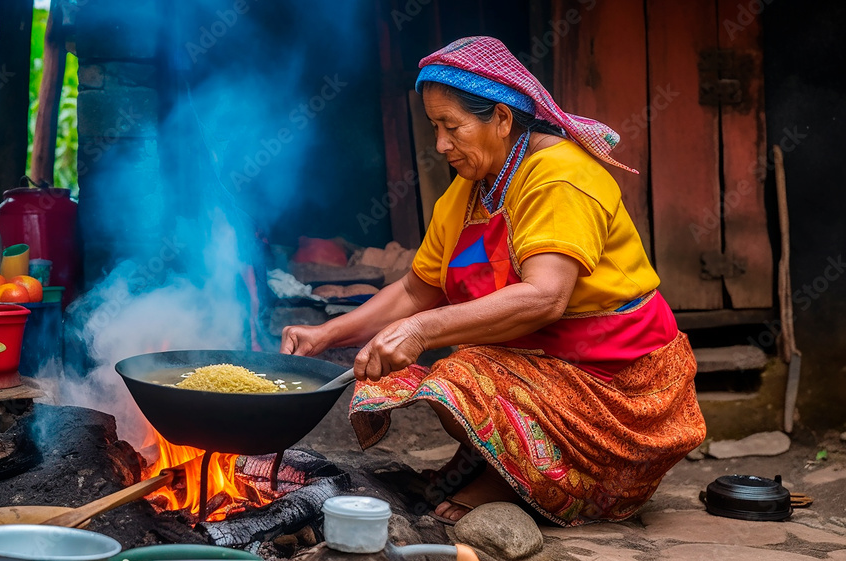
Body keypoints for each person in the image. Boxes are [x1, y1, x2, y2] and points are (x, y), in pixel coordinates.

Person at [281, 36, 706, 526]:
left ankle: (518, 478)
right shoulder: (467, 192)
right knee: (457, 364)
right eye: (434, 127)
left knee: (461, 375)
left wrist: (423, 330)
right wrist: (324, 336)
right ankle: (498, 462)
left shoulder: (559, 177)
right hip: (549, 366)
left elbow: (546, 297)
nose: (441, 144)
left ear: (502, 119)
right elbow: (417, 290)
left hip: (622, 388)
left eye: (451, 127)